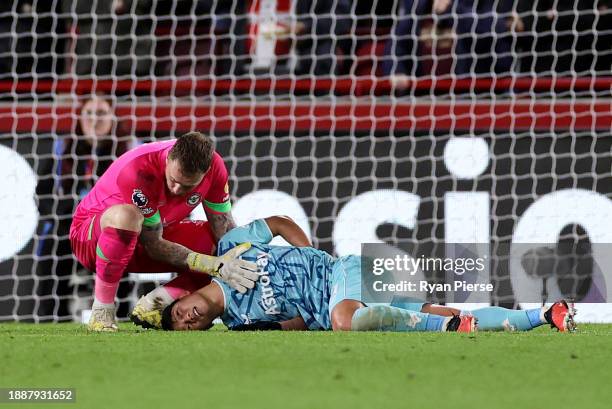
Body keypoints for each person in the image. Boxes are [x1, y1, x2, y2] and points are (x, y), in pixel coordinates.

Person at [150, 217, 576, 333]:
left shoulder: (230, 248)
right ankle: (545, 315)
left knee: (345, 323)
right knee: (438, 309)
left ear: (181, 298)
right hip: (343, 297)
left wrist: (306, 253)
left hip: (345, 271)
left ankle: (446, 327)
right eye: (186, 326)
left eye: (178, 313)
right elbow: (295, 323)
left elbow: (277, 221)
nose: (186, 319)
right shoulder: (240, 322)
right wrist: (300, 316)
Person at [70, 131, 259, 332]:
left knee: (221, 244)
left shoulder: (216, 168)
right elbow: (154, 245)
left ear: (206, 173)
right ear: (168, 158)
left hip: (150, 237)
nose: (177, 189)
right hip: (92, 240)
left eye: (187, 186)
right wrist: (210, 264)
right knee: (127, 216)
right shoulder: (140, 169)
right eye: (173, 180)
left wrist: (247, 262)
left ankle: (157, 304)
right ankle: (102, 312)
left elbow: (225, 227)